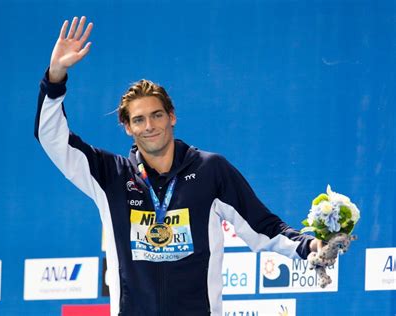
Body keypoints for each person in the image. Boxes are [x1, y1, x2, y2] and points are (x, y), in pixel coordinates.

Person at [35, 16, 321, 316]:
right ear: (127, 127)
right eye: (138, 119)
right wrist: (55, 77)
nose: (150, 126)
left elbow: (264, 227)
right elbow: (52, 138)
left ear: (172, 116)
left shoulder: (211, 170)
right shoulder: (111, 176)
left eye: (157, 115)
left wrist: (308, 247)